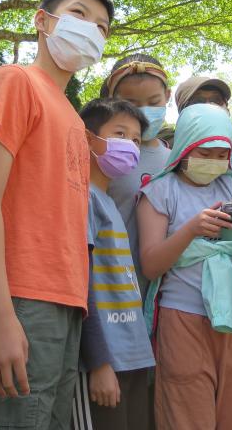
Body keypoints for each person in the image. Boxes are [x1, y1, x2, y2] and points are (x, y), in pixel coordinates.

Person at [0, 0, 113, 429]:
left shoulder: (70, 113)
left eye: (102, 27)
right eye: (79, 14)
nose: (91, 29)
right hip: (19, 299)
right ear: (43, 21)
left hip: (65, 303)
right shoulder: (16, 80)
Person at [137, 103, 232, 430]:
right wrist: (192, 230)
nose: (214, 162)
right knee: (186, 415)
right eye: (205, 152)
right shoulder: (160, 191)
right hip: (184, 319)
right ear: (185, 146)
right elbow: (151, 265)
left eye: (221, 154)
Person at [72, 98, 155, 430]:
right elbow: (83, 281)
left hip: (133, 355)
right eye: (119, 134)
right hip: (104, 361)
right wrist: (98, 362)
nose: (130, 146)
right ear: (89, 138)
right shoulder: (84, 197)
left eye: (136, 140)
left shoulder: (106, 200)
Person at [104, 54, 172, 294]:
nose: (144, 113)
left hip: (166, 294)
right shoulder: (103, 158)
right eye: (132, 104)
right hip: (111, 286)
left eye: (154, 102)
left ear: (168, 96)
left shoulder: (176, 160)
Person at [174, 75, 232, 199]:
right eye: (198, 102)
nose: (210, 106)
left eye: (216, 101)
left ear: (227, 108)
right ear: (183, 113)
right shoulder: (166, 158)